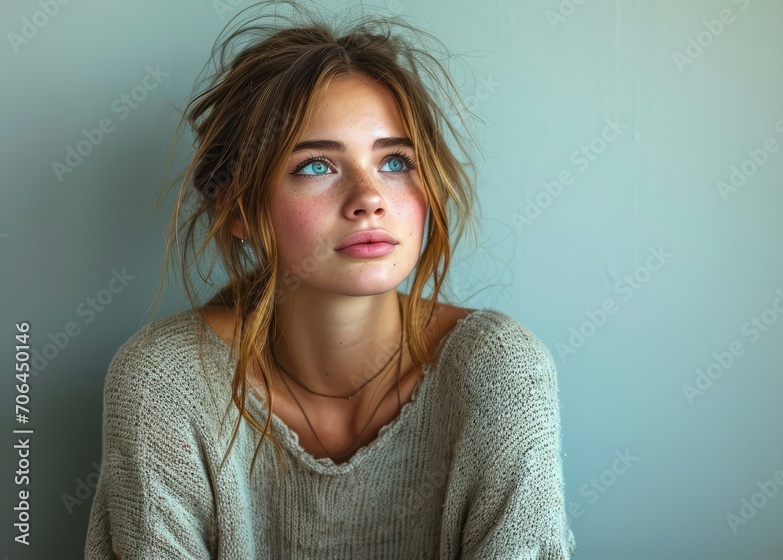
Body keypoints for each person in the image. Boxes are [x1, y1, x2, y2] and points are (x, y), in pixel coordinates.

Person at [82, 2, 576, 558]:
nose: (370, 199)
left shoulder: (501, 372)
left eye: (396, 163)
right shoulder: (162, 384)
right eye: (316, 165)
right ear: (239, 207)